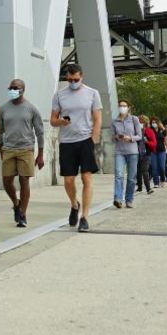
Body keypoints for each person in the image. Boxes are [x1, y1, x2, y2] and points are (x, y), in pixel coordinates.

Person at [50, 64, 102, 232]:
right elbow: (52, 120)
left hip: (85, 139)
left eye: (76, 79)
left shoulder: (92, 93)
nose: (73, 82)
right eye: (70, 79)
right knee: (68, 180)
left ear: (82, 76)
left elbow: (98, 119)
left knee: (87, 178)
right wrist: (61, 122)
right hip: (67, 141)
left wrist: (93, 138)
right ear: (66, 78)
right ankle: (74, 204)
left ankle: (85, 217)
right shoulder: (59, 95)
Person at [0, 79, 44, 227]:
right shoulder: (3, 109)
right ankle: (16, 203)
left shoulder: (31, 108)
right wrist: (0, 149)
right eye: (10, 87)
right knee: (7, 180)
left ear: (23, 89)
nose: (12, 90)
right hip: (9, 149)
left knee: (24, 181)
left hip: (26, 149)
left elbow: (40, 132)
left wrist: (40, 154)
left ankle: (22, 214)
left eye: (16, 88)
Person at [111, 100, 142, 208]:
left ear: (128, 107)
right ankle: (118, 199)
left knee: (131, 178)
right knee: (119, 175)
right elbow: (112, 138)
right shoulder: (114, 121)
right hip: (119, 151)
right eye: (120, 106)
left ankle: (129, 199)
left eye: (124, 106)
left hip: (132, 152)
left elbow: (139, 136)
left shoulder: (134, 119)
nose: (122, 107)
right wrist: (116, 137)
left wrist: (131, 138)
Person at [137, 115, 155, 194]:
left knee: (144, 170)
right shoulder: (135, 130)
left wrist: (147, 142)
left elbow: (154, 143)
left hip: (146, 153)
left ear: (145, 122)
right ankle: (140, 187)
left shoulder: (149, 131)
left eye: (142, 121)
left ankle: (148, 188)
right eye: (139, 121)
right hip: (136, 153)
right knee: (137, 171)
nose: (140, 122)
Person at [150, 118, 167, 187]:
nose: (153, 124)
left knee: (162, 167)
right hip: (153, 151)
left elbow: (165, 139)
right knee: (154, 167)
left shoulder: (162, 130)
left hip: (162, 151)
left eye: (155, 122)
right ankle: (156, 183)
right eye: (152, 122)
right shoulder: (150, 130)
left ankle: (162, 180)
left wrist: (162, 128)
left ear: (158, 123)